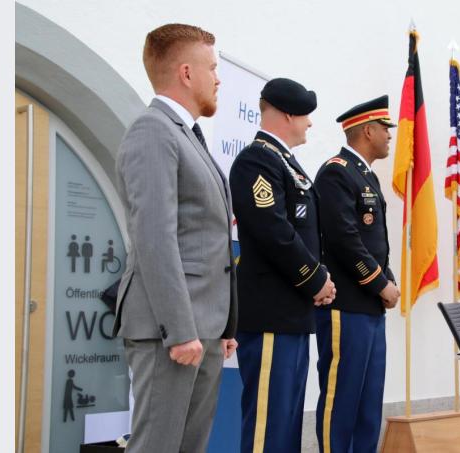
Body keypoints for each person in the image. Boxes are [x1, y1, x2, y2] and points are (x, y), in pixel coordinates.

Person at [112, 23, 238, 453]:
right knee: (157, 446)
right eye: (212, 68)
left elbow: (203, 238)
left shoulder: (186, 136)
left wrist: (224, 324)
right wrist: (181, 330)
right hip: (172, 330)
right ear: (186, 73)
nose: (218, 78)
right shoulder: (153, 130)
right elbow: (155, 237)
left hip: (203, 327)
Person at [230, 77, 336, 453]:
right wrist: (315, 279)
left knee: (287, 427)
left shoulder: (285, 163)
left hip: (291, 313)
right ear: (288, 115)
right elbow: (273, 230)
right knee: (268, 427)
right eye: (305, 115)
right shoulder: (257, 160)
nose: (310, 123)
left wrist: (317, 280)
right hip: (271, 313)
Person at [313, 95, 400, 453]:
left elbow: (375, 243)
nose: (389, 135)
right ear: (367, 131)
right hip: (346, 306)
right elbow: (343, 238)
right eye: (385, 128)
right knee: (342, 400)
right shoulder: (336, 172)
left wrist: (389, 281)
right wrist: (380, 284)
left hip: (370, 308)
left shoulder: (366, 174)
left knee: (368, 404)